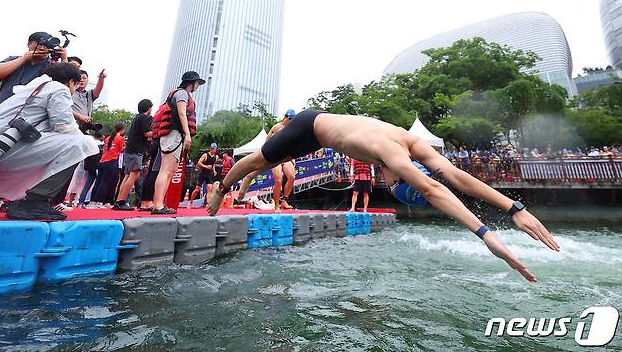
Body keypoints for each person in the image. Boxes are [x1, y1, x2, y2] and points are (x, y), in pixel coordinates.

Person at [207, 110, 560, 282]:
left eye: (393, 189)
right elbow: (433, 187)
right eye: (395, 189)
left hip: (327, 133)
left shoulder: (411, 142)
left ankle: (240, 182)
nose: (389, 187)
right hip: (309, 125)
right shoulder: (392, 155)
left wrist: (513, 207)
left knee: (275, 162)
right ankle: (222, 188)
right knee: (259, 159)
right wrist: (486, 236)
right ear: (398, 179)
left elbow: (452, 174)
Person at [0, 63, 97, 220]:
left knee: (66, 143)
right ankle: (34, 202)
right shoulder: (59, 89)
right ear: (70, 82)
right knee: (83, 143)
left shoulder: (33, 87)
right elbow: (64, 127)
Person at [152, 71, 205, 214]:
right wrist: (188, 134)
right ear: (191, 82)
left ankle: (160, 204)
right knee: (166, 169)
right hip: (173, 133)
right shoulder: (181, 94)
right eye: (197, 83)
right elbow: (182, 113)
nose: (198, 86)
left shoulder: (181, 94)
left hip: (175, 135)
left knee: (170, 170)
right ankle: (157, 205)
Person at [236, 109, 297, 211]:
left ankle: (284, 201)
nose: (290, 121)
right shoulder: (277, 127)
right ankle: (277, 205)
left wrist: (293, 158)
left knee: (292, 177)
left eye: (292, 120)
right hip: (275, 156)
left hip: (285, 156)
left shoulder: (292, 129)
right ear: (285, 117)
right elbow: (266, 142)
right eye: (289, 119)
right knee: (278, 180)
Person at [0, 32, 68, 107]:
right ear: (29, 44)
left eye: (47, 46)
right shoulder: (14, 59)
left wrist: (64, 59)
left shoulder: (52, 67)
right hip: (1, 108)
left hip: (30, 115)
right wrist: (24, 58)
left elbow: (66, 87)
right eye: (39, 44)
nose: (42, 48)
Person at [114, 100, 154, 210]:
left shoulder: (137, 117)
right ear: (149, 108)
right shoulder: (144, 118)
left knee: (127, 175)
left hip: (130, 149)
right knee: (134, 175)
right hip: (136, 150)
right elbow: (147, 133)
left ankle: (118, 201)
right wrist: (158, 133)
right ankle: (121, 201)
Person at [88, 123, 125, 207]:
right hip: (111, 161)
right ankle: (99, 201)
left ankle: (93, 201)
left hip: (102, 161)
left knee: (99, 182)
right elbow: (120, 150)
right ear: (122, 129)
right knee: (105, 182)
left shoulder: (108, 138)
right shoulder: (120, 138)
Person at [78, 131, 104, 207]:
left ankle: (81, 201)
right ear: (101, 136)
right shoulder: (100, 144)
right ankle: (94, 201)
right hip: (96, 166)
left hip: (88, 165)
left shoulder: (89, 143)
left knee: (87, 184)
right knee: (98, 183)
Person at [188, 143, 218, 208]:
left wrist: (214, 170)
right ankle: (191, 202)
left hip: (209, 174)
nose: (214, 150)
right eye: (212, 149)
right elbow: (199, 163)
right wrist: (206, 166)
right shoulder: (205, 155)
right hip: (202, 173)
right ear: (210, 149)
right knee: (197, 190)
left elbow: (213, 164)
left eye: (215, 149)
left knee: (210, 189)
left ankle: (207, 203)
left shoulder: (216, 157)